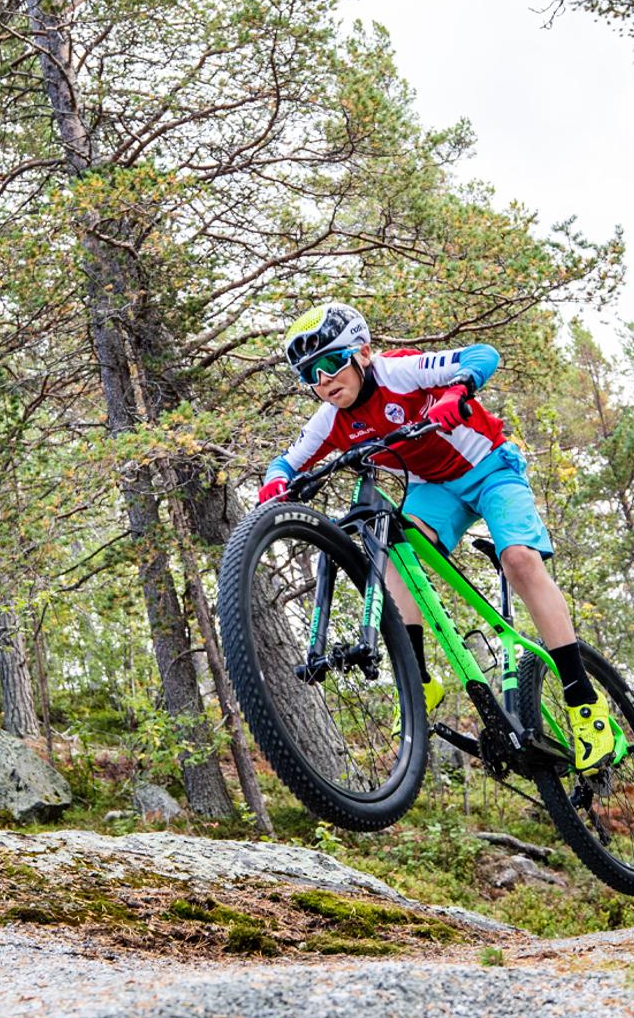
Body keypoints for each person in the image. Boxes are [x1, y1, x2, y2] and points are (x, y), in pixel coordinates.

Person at [257, 301, 615, 770]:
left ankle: (584, 702)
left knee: (519, 561)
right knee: (392, 557)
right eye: (310, 375)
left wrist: (457, 392)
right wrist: (275, 482)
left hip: (490, 468)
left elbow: (482, 355)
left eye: (330, 363)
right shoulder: (330, 419)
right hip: (435, 490)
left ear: (362, 353)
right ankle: (419, 681)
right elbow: (284, 463)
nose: (323, 381)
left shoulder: (398, 372)